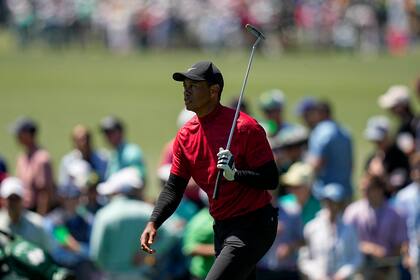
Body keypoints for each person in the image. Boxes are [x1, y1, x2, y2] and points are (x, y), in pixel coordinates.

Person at [140, 61, 279, 280]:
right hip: (222, 226)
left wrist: (236, 174)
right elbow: (174, 187)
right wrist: (154, 221)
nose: (186, 91)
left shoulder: (244, 127)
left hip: (254, 224)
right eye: (185, 86)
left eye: (193, 86)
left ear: (214, 91)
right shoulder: (185, 135)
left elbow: (271, 178)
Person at [90, 167, 175, 280]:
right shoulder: (148, 211)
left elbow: (96, 255)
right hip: (141, 274)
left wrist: (108, 267)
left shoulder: (104, 215)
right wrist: (147, 253)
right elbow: (172, 232)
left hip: (112, 275)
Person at [344, 173, 409, 280]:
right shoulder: (353, 211)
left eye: (368, 189)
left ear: (379, 190)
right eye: (362, 189)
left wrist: (385, 257)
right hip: (361, 268)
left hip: (387, 269)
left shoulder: (396, 214)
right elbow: (345, 242)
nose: (364, 193)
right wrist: (368, 248)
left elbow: (401, 245)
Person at [298, 183, 363, 280]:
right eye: (328, 201)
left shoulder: (350, 229)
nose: (331, 206)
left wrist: (343, 274)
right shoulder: (311, 228)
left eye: (335, 202)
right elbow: (304, 259)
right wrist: (317, 275)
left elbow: (356, 258)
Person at [306, 101, 354, 199]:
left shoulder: (320, 132)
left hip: (325, 193)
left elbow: (316, 163)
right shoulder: (345, 131)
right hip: (346, 190)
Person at [12, 117, 55, 215]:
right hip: (23, 211)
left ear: (28, 134)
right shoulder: (22, 157)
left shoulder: (42, 158)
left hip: (36, 211)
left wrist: (40, 218)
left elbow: (44, 193)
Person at [0, 177, 51, 252]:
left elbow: (48, 251)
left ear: (22, 199)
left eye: (16, 199)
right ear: (2, 200)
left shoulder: (37, 223)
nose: (13, 203)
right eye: (10, 199)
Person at [364, 115, 410, 196]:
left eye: (379, 140)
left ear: (388, 136)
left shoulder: (400, 158)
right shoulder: (373, 158)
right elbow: (364, 186)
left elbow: (395, 188)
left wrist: (381, 175)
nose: (376, 143)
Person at [394, 153, 420, 279]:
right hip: (412, 254)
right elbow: (400, 229)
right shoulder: (403, 197)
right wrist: (406, 255)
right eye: (416, 168)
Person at [100, 115, 147, 184]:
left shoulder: (132, 151)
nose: (108, 136)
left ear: (121, 132)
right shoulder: (110, 154)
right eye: (106, 133)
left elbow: (140, 180)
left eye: (111, 132)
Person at [378, 85, 420, 155]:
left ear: (401, 107)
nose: (390, 110)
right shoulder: (403, 126)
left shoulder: (415, 124)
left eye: (393, 107)